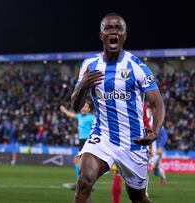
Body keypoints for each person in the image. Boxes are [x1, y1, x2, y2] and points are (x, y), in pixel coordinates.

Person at [71, 13, 165, 203]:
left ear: (124, 35)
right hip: (102, 137)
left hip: (133, 142)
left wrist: (155, 132)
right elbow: (76, 106)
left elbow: (158, 103)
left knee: (138, 199)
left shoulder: (137, 67)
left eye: (118, 28)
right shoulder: (89, 65)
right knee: (84, 182)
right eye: (108, 28)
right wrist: (83, 86)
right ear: (101, 35)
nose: (113, 31)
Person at [60, 101, 95, 190]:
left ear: (89, 109)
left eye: (86, 107)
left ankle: (83, 183)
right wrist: (64, 110)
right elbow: (71, 115)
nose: (83, 108)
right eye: (83, 106)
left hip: (87, 141)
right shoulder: (79, 116)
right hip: (81, 142)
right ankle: (86, 183)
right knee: (82, 163)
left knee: (80, 162)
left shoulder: (92, 117)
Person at [144, 104, 167, 197]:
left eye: (149, 111)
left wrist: (160, 147)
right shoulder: (142, 120)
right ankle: (144, 192)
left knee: (155, 171)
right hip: (145, 149)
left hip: (154, 151)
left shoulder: (156, 122)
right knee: (143, 170)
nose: (148, 112)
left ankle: (162, 174)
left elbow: (164, 135)